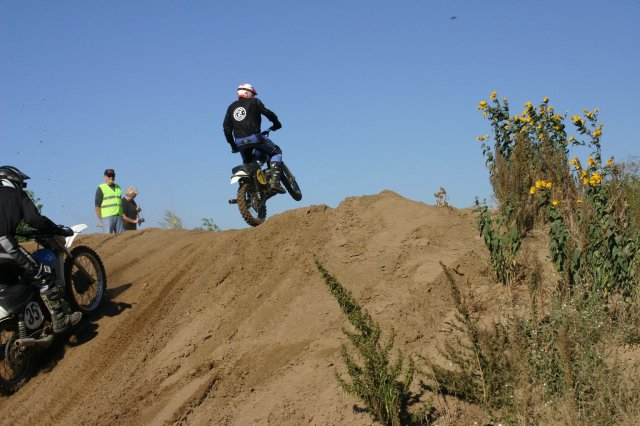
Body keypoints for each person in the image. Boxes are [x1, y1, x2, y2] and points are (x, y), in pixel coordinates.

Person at [0, 165, 82, 334]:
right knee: (42, 275)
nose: (22, 187)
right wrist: (58, 230)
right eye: (21, 184)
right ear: (12, 181)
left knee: (12, 283)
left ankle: (25, 325)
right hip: (4, 246)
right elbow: (34, 219)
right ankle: (60, 319)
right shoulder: (17, 194)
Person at [223, 83, 286, 194]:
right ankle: (275, 182)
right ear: (247, 93)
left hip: (240, 143)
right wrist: (276, 123)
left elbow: (226, 129)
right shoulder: (255, 102)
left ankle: (251, 191)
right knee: (276, 152)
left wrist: (233, 145)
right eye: (253, 94)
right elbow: (268, 113)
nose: (253, 96)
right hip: (255, 138)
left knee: (248, 165)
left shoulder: (231, 107)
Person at [95, 168, 123, 233]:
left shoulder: (118, 187)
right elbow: (97, 206)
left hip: (119, 217)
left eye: (113, 175)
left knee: (121, 237)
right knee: (108, 237)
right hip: (107, 218)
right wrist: (101, 220)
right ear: (105, 177)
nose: (111, 177)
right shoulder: (101, 188)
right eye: (109, 176)